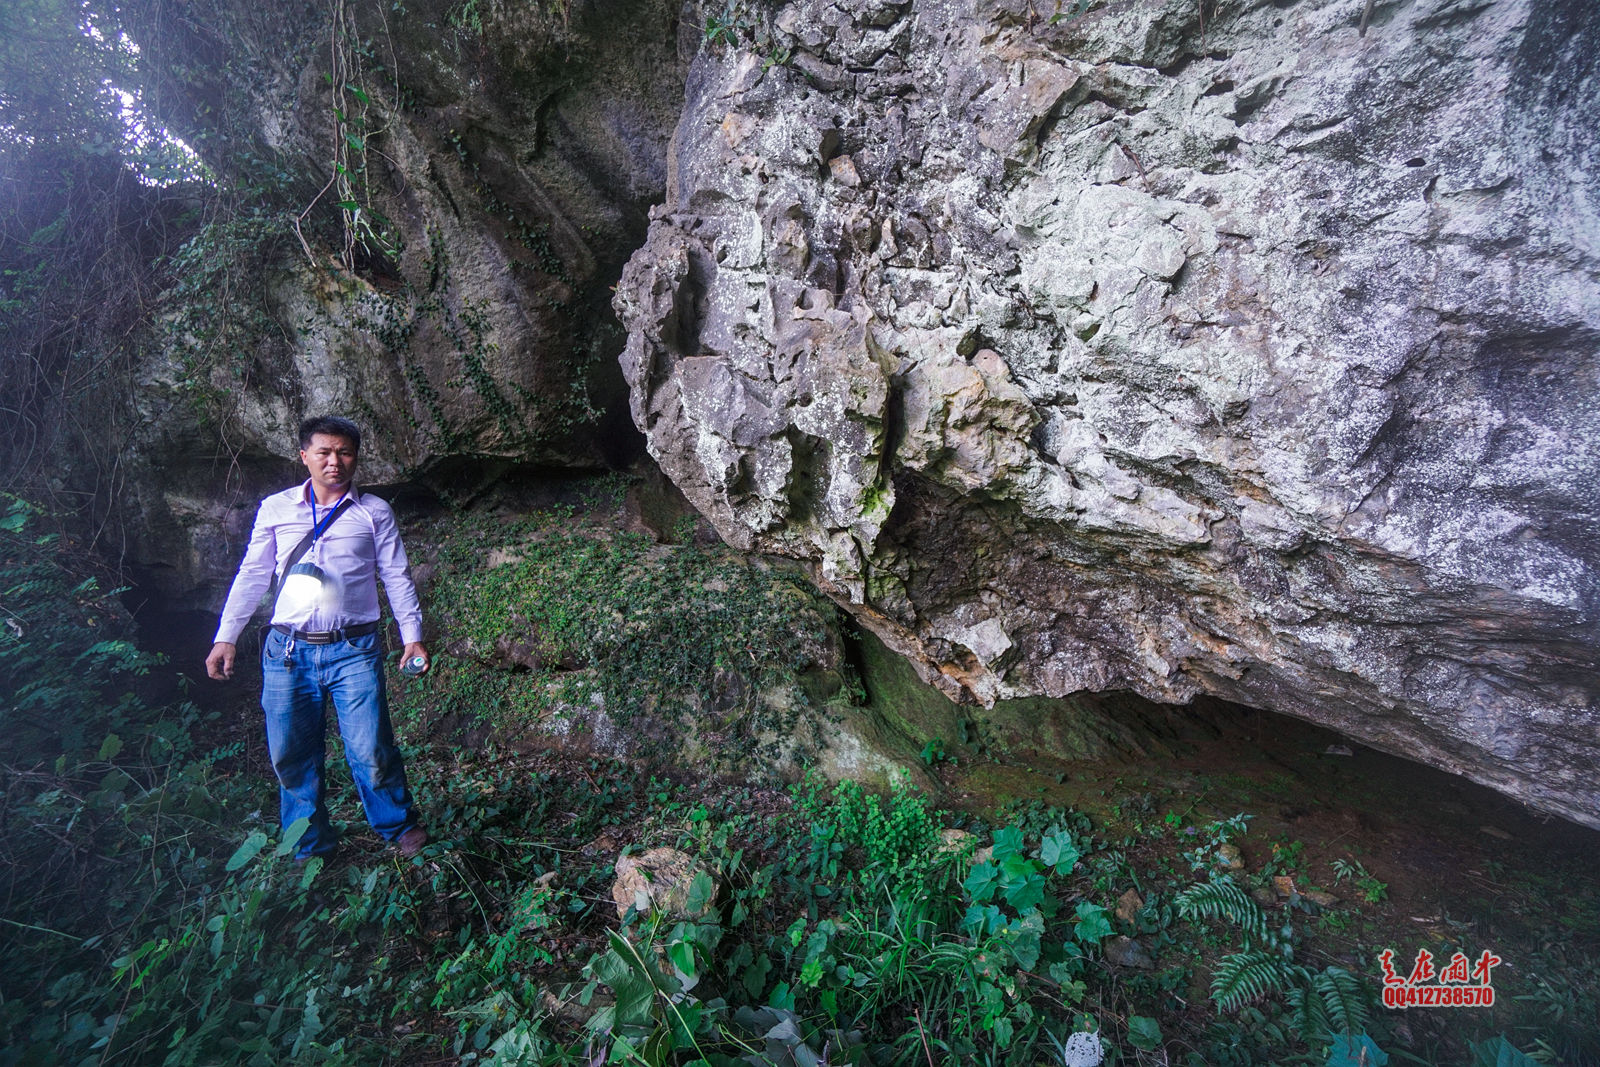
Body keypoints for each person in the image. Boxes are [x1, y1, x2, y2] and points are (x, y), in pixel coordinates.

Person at [205, 415, 430, 860]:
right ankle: (309, 846)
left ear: (355, 458)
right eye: (324, 452)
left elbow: (397, 576)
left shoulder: (374, 512)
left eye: (344, 452)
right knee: (290, 754)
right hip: (287, 651)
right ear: (304, 455)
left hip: (354, 649)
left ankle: (398, 825)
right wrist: (226, 636)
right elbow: (252, 575)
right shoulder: (276, 509)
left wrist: (413, 637)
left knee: (370, 747)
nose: (335, 462)